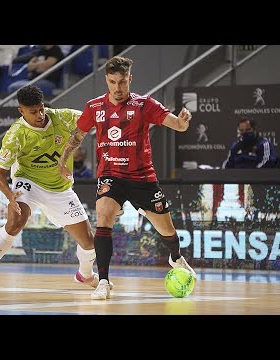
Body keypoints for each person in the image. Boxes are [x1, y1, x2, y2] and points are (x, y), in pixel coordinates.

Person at [57, 56, 196, 300]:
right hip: (111, 176)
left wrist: (183, 122)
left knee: (167, 230)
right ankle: (103, 281)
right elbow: (78, 134)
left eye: (122, 82)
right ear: (106, 80)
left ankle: (176, 257)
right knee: (103, 216)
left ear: (129, 79)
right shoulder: (94, 107)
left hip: (142, 178)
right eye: (112, 82)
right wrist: (63, 159)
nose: (118, 88)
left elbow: (177, 125)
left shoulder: (144, 105)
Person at [0, 85, 113, 293]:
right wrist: (10, 197)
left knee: (89, 242)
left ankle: (85, 275)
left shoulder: (62, 117)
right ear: (21, 111)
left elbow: (93, 118)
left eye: (41, 109)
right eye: (33, 112)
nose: (40, 115)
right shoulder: (16, 135)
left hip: (59, 188)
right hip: (28, 182)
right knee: (16, 221)